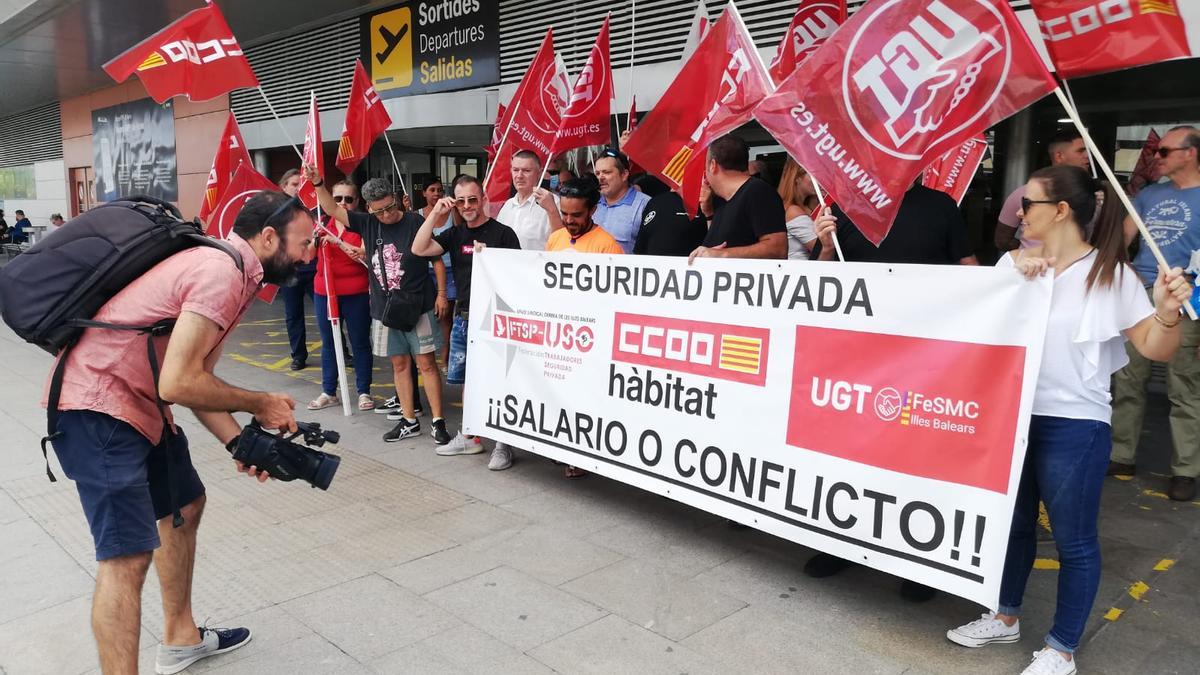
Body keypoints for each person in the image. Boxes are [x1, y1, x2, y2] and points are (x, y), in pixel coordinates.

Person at [45, 191, 314, 675]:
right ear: (269, 236)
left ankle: (181, 639)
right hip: (99, 407)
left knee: (183, 505)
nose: (308, 254)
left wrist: (240, 442)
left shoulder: (235, 272)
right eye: (304, 243)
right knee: (125, 560)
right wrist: (260, 403)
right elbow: (180, 382)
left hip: (141, 405)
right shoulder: (220, 273)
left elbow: (193, 382)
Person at [946, 165, 1191, 675]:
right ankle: (1004, 615)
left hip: (1075, 423)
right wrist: (1014, 261)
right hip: (1010, 419)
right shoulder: (1013, 263)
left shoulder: (1110, 272)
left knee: (1074, 538)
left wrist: (1167, 311)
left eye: (1028, 204)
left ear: (1059, 211)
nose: (1017, 213)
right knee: (1013, 526)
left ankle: (1062, 647)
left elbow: (1153, 347)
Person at [805, 181, 976, 601]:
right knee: (851, 456)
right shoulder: (843, 207)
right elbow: (812, 287)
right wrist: (825, 245)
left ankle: (919, 565)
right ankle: (842, 544)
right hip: (857, 359)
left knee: (915, 459)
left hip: (923, 359)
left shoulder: (939, 206)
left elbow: (969, 269)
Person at [304, 166, 452, 445]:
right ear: (369, 208)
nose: (386, 215)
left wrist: (441, 293)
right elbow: (331, 209)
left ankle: (437, 420)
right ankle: (408, 419)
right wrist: (318, 184)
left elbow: (436, 256)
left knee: (427, 364)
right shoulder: (367, 223)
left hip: (417, 304)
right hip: (384, 308)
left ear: (395, 199)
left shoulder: (412, 222)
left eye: (389, 208)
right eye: (379, 211)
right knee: (399, 364)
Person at [1110, 125, 1200, 501]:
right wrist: (1120, 267)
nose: (1155, 157)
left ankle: (1185, 469)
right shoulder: (1148, 194)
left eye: (1163, 151)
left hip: (1186, 295)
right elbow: (1123, 238)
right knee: (1128, 378)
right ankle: (1121, 455)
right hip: (1142, 292)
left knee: (1185, 385)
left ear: (1190, 153)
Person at [412, 175, 523, 470]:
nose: (467, 206)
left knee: (497, 381)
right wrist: (436, 213)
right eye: (460, 201)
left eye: (472, 199)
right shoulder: (455, 234)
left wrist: (494, 260)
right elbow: (419, 249)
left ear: (483, 199)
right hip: (464, 318)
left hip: (498, 319)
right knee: (468, 382)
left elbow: (520, 279)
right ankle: (472, 437)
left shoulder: (504, 234)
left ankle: (502, 442)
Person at [306, 180, 375, 413]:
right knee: (329, 342)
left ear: (357, 202)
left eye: (348, 199)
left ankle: (364, 391)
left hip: (356, 292)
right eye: (338, 199)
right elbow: (306, 258)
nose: (343, 203)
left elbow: (363, 257)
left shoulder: (363, 224)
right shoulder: (320, 223)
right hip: (324, 291)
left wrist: (337, 241)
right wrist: (314, 240)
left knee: (360, 342)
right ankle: (329, 391)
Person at [814, 182, 980, 266]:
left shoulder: (942, 205)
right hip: (862, 324)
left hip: (927, 322)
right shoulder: (845, 207)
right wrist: (827, 248)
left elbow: (966, 262)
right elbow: (816, 281)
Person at [689, 135, 787, 262]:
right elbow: (718, 245)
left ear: (713, 165)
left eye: (705, 166)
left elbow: (778, 249)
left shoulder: (757, 191)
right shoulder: (722, 199)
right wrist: (709, 214)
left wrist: (723, 254)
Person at [995, 131, 1093, 252]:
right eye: (1080, 151)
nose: (1087, 156)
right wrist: (1028, 251)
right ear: (1059, 156)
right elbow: (1002, 240)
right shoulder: (1021, 193)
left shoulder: (1092, 195)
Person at [277, 169, 316, 370]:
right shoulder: (275, 212)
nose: (298, 187)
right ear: (284, 187)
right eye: (294, 184)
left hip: (312, 267)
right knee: (293, 314)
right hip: (290, 270)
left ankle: (340, 350)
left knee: (327, 313)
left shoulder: (311, 207)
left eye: (300, 183)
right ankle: (298, 355)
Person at [418, 178, 458, 364]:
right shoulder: (417, 215)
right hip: (424, 271)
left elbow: (459, 230)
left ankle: (445, 358)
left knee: (445, 316)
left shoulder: (452, 213)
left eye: (439, 190)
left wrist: (455, 209)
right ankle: (427, 357)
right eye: (432, 190)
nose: (436, 193)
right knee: (426, 316)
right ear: (424, 193)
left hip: (449, 270)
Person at [496, 150, 562, 251]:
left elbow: (561, 242)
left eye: (526, 170)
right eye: (515, 170)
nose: (519, 176)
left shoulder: (553, 202)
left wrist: (552, 210)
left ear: (539, 173)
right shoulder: (507, 206)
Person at [631, 174, 706, 256]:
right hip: (651, 266)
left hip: (692, 266)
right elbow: (640, 249)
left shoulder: (705, 203)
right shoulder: (655, 202)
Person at [592, 147, 650, 254]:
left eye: (606, 172)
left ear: (624, 175)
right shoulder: (591, 204)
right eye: (597, 173)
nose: (600, 178)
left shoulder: (645, 205)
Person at [778, 158, 820, 260]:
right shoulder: (793, 211)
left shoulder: (791, 207)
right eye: (812, 175)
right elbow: (821, 249)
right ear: (797, 178)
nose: (818, 180)